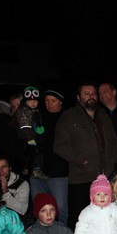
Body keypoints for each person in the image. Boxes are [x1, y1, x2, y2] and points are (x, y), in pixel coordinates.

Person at [54, 82, 117, 231]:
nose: (91, 96)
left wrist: (112, 161)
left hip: (104, 177)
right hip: (81, 178)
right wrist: (80, 159)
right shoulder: (69, 117)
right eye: (86, 93)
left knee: (103, 218)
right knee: (80, 219)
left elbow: (114, 140)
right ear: (78, 97)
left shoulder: (102, 115)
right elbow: (59, 145)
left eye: (93, 93)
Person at [29, 88, 70, 225]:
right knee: (39, 208)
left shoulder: (68, 118)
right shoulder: (38, 117)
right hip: (38, 171)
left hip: (59, 172)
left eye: (53, 101)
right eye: (47, 101)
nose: (49, 104)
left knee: (61, 208)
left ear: (60, 102)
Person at [13, 85, 49, 180]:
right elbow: (25, 128)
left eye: (35, 101)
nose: (33, 103)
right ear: (25, 101)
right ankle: (35, 170)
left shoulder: (35, 110)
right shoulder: (23, 111)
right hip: (27, 138)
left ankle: (28, 168)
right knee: (35, 153)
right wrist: (30, 139)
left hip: (33, 136)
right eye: (30, 101)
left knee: (36, 153)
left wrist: (39, 129)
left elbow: (37, 122)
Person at [0, 152, 30, 223]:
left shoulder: (21, 184)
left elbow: (22, 210)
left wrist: (5, 192)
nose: (0, 171)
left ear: (10, 167)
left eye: (4, 167)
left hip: (13, 221)